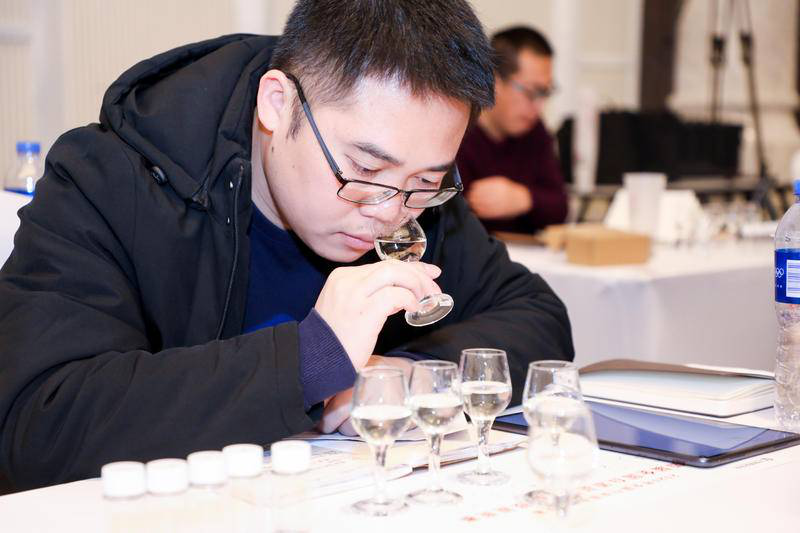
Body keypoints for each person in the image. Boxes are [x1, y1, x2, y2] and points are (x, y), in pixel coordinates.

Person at [0, 1, 573, 491]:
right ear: (277, 104)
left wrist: (413, 371)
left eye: (426, 180)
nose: (388, 212)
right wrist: (312, 361)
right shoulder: (111, 179)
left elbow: (538, 316)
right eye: (365, 169)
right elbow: (36, 423)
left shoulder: (411, 201)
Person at [456, 26, 569, 234]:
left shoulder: (534, 132)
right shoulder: (456, 131)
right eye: (531, 92)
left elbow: (560, 207)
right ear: (494, 81)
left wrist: (525, 199)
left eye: (545, 93)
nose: (539, 106)